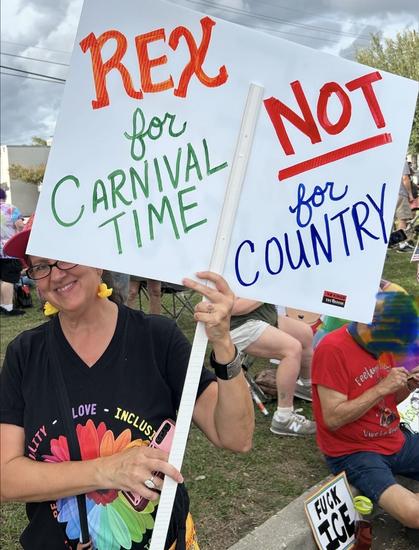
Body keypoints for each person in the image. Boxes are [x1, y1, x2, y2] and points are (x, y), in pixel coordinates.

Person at [0, 216, 254, 550]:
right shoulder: (25, 354)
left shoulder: (156, 339)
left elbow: (236, 437)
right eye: (41, 266)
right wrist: (106, 470)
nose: (57, 273)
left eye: (65, 255)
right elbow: (7, 479)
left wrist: (223, 343)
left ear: (98, 260)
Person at [312, 290, 419, 529]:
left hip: (394, 439)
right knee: (413, 513)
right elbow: (332, 418)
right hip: (354, 451)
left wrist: (408, 385)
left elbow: (387, 402)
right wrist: (382, 387)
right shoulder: (332, 349)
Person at [230, 299, 315, 436]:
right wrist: (267, 289)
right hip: (237, 325)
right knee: (291, 349)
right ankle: (283, 418)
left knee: (304, 333)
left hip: (261, 316)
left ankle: (305, 386)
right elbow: (234, 308)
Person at [0, 188, 25, 316]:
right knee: (8, 279)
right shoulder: (11, 209)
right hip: (8, 249)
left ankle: (2, 305)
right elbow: (20, 225)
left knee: (1, 280)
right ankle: (8, 308)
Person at [395, 160, 414, 252]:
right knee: (402, 219)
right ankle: (401, 245)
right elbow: (405, 178)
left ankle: (390, 243)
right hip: (400, 193)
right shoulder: (402, 160)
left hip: (387, 193)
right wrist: (410, 194)